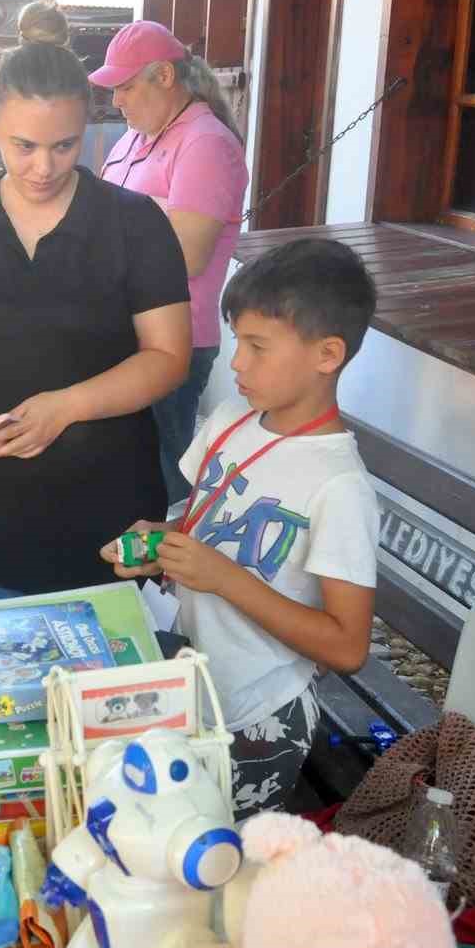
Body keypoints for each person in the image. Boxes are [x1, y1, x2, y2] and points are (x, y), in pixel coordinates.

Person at [0, 2, 191, 608]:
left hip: (107, 488)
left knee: (108, 677)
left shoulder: (134, 224)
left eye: (64, 146)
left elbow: (168, 356)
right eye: (23, 145)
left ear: (88, 126)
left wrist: (65, 408)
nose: (43, 167)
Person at [102, 238, 379, 819]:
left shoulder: (338, 486)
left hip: (259, 717)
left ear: (327, 354)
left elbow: (348, 646)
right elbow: (202, 519)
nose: (235, 363)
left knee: (218, 860)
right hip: (191, 684)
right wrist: (161, 539)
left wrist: (224, 579)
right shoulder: (233, 419)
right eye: (236, 342)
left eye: (257, 347)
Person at [91, 21, 250, 508]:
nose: (116, 101)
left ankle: (164, 579)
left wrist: (125, 226)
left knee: (160, 481)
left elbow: (186, 255)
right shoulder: (134, 139)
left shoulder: (204, 142)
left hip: (170, 338)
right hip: (123, 332)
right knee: (120, 472)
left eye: (124, 86)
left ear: (164, 76)